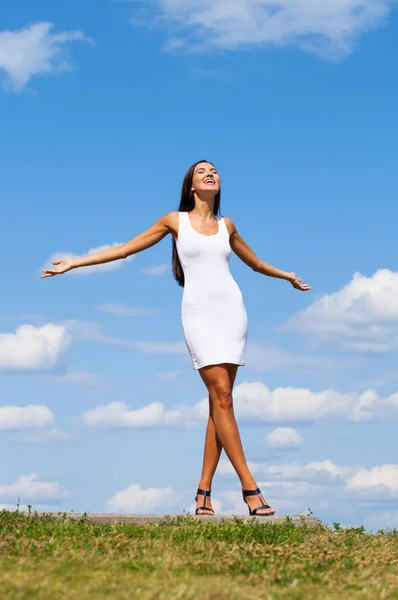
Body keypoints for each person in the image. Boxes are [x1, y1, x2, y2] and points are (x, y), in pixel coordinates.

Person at [42, 160, 311, 517]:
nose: (210, 174)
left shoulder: (226, 226)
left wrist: (287, 276)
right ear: (191, 187)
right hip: (199, 315)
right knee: (224, 398)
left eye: (214, 171)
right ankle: (250, 487)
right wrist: (76, 262)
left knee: (221, 403)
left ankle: (203, 492)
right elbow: (126, 249)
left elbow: (255, 264)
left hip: (232, 313)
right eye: (202, 172)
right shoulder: (175, 221)